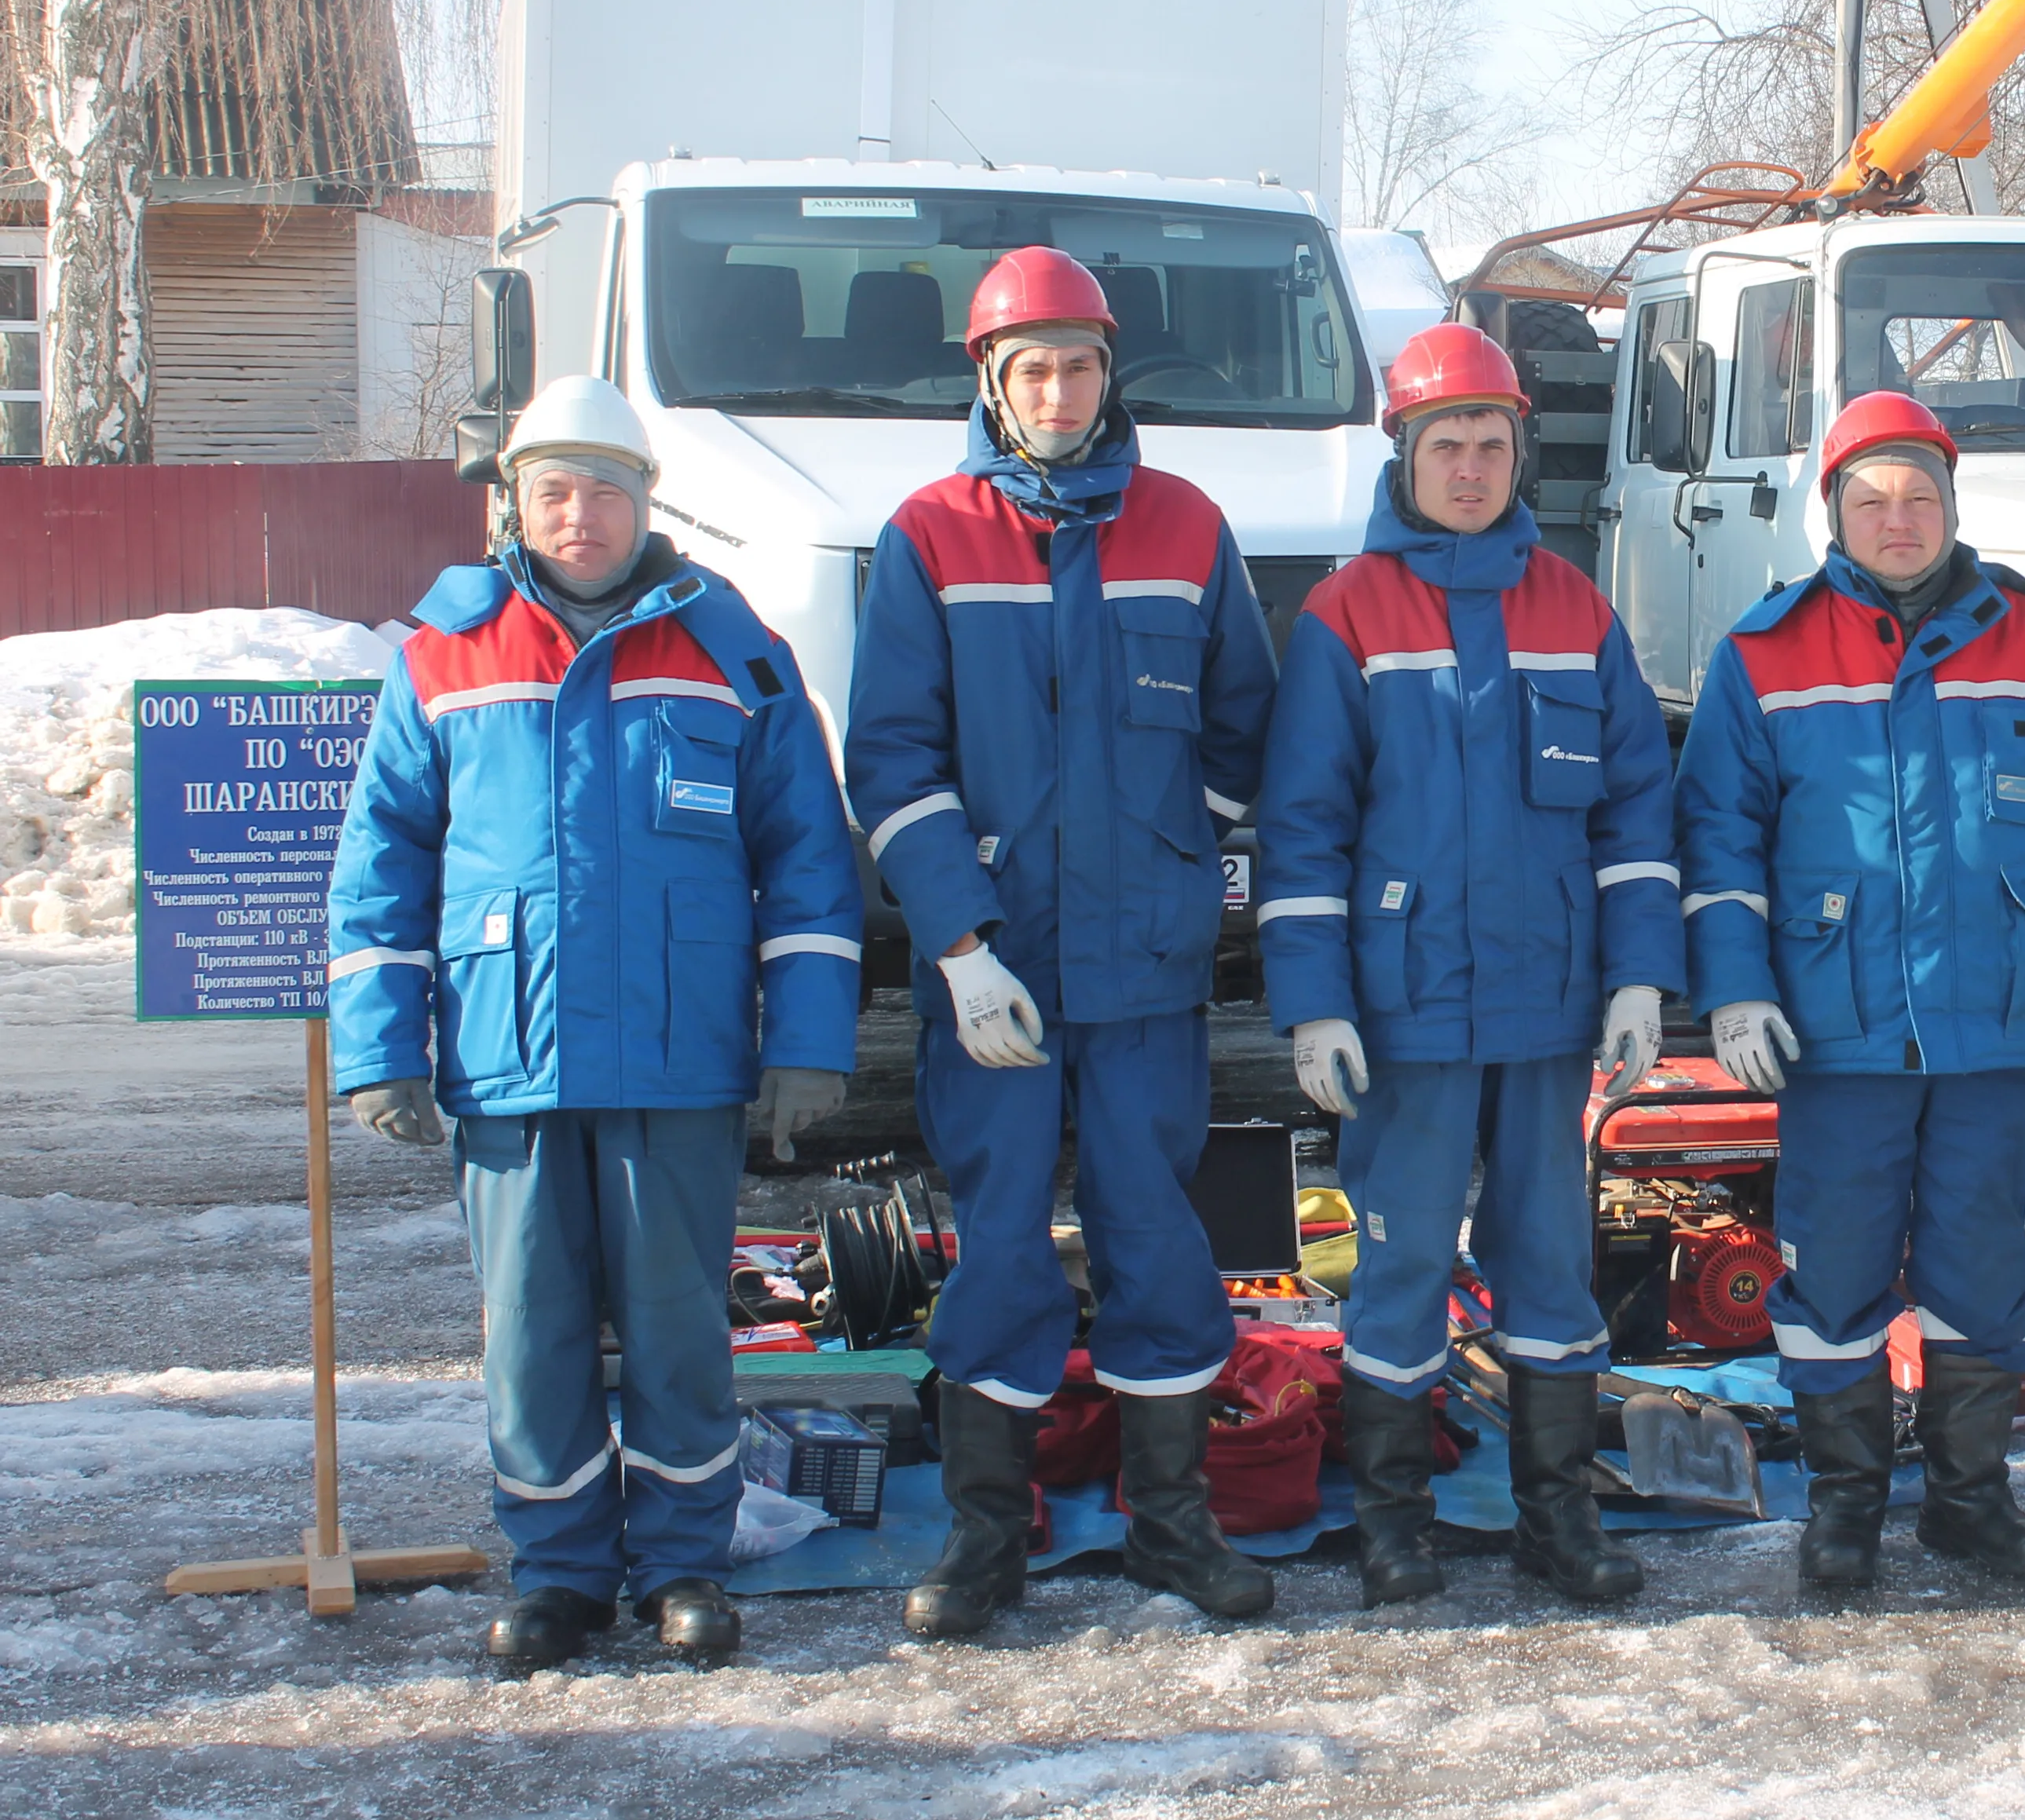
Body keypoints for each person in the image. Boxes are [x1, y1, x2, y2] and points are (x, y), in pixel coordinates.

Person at [329, 374, 862, 1671]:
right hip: (509, 1057)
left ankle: (686, 1561)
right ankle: (560, 1571)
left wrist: (806, 1040)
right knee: (533, 1328)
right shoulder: (442, 656)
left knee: (681, 1326)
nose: (581, 515)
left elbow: (807, 860)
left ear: (647, 505)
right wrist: (380, 1047)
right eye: (554, 490)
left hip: (678, 1059)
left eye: (606, 491)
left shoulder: (735, 650)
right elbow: (383, 863)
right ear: (514, 503)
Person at [848, 246, 1279, 1635]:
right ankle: (988, 1538)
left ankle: (1173, 1524)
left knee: (1159, 1237)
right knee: (1002, 1246)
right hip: (1001, 972)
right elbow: (892, 762)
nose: (1058, 388)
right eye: (1031, 366)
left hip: (1145, 967)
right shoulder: (929, 535)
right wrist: (959, 944)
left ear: (1110, 376)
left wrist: (1178, 847)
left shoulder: (1189, 525)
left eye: (1080, 364)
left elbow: (1244, 728)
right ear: (990, 378)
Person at [1676, 389, 2025, 1587]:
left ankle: (1968, 1500)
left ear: (1953, 507)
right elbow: (1718, 839)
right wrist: (1735, 992)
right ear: (1833, 511)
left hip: (1992, 1031)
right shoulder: (1764, 653)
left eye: (1921, 497)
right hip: (1835, 1037)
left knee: (1981, 1274)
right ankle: (1847, 1507)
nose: (1900, 520)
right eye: (1872, 499)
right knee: (1832, 1272)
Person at [1255, 322, 1681, 1608]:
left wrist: (1640, 975)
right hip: (1407, 1014)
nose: (1473, 466)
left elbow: (1634, 815)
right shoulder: (1346, 616)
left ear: (1519, 456)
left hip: (1549, 1012)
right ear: (1406, 454)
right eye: (1449, 443)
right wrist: (1315, 1007)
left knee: (1552, 1261)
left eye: (1494, 444)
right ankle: (1396, 1526)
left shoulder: (1577, 608)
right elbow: (1303, 830)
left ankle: (1559, 1524)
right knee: (1395, 1266)